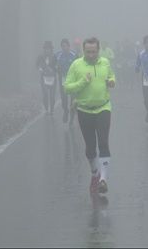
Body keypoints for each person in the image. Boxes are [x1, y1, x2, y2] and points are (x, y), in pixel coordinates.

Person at [64, 37, 116, 194]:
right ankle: (95, 173)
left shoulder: (105, 62)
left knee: (103, 142)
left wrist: (112, 81)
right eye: (88, 52)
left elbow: (112, 76)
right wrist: (82, 82)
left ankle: (103, 180)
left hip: (103, 107)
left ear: (98, 50)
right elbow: (67, 88)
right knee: (90, 147)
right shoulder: (76, 65)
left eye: (94, 52)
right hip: (84, 110)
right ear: (83, 51)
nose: (91, 55)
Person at [56, 38, 78, 123]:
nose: (64, 48)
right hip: (63, 79)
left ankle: (71, 119)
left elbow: (79, 65)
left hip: (73, 80)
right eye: (62, 46)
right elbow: (53, 64)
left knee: (73, 100)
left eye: (65, 46)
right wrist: (56, 69)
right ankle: (65, 111)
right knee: (64, 99)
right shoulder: (58, 55)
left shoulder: (74, 55)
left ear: (69, 46)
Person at [36, 41, 57, 115]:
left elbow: (57, 65)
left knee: (52, 95)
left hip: (52, 78)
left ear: (51, 49)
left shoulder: (54, 56)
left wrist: (54, 69)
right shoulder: (40, 56)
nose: (47, 50)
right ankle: (46, 108)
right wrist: (40, 69)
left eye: (49, 48)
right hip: (43, 77)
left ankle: (52, 109)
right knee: (45, 94)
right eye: (46, 48)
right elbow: (37, 65)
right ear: (44, 49)